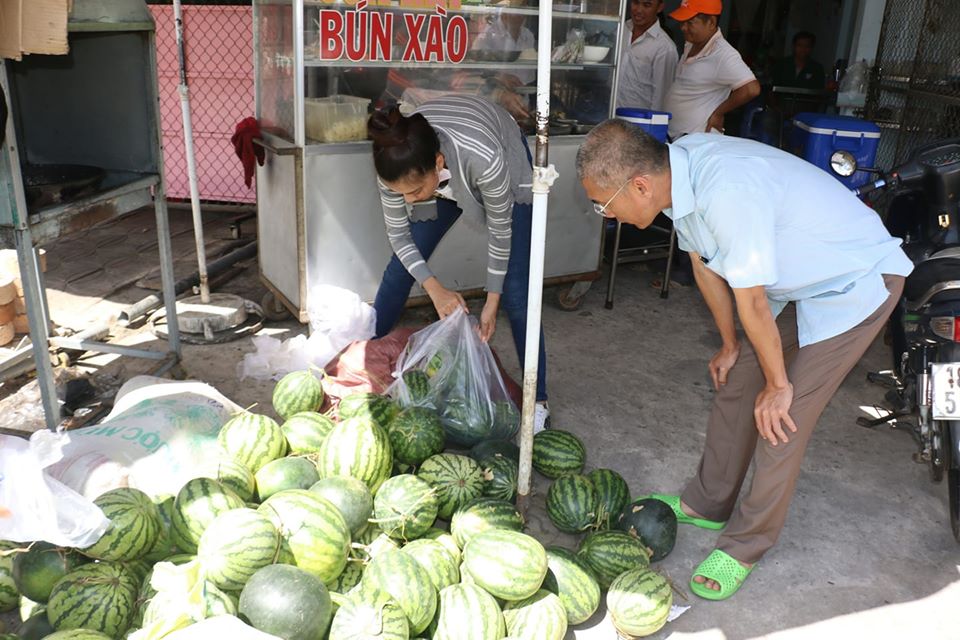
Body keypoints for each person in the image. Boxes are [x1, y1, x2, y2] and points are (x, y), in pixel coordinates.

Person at [576, 119, 912, 600]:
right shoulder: (677, 172)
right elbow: (702, 262)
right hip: (798, 284)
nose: (606, 216)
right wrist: (731, 344)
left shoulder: (726, 190)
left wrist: (779, 385)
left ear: (640, 185)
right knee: (738, 386)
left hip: (856, 281)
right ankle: (708, 503)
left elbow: (751, 299)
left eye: (603, 204)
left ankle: (746, 544)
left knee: (782, 418)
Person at [368, 95, 550, 431]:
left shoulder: (486, 160)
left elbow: (501, 233)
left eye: (414, 191)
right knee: (401, 269)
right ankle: (368, 361)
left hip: (493, 150)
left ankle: (537, 400)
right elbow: (400, 238)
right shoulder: (394, 164)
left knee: (515, 292)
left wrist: (491, 302)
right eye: (400, 193)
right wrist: (434, 288)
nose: (407, 201)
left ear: (437, 164)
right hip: (441, 168)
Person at [663, 0, 760, 138]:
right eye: (682, 22)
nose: (683, 28)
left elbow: (751, 89)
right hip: (677, 136)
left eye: (690, 22)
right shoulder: (691, 43)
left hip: (696, 139)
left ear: (711, 22)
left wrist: (719, 112)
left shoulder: (723, 54)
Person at [616, 0, 679, 111]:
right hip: (609, 117)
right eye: (635, 2)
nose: (639, 10)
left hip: (638, 124)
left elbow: (661, 99)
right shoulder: (619, 29)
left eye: (647, 5)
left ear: (659, 7)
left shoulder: (664, 47)